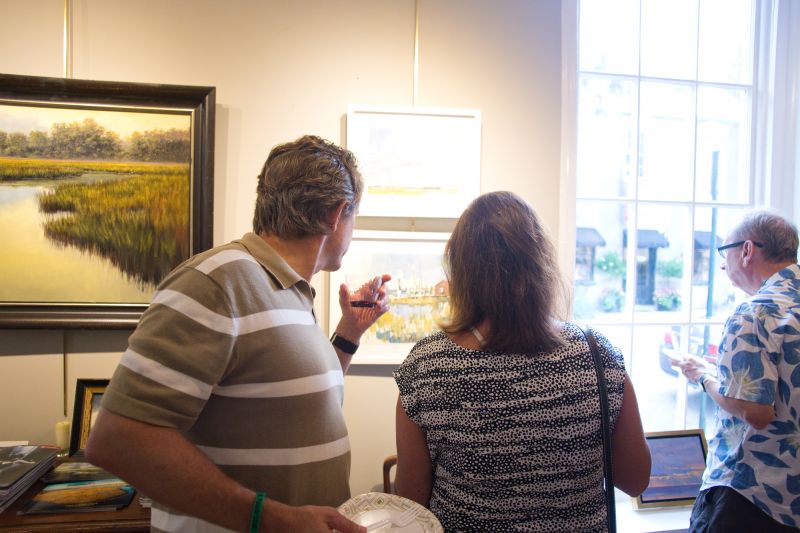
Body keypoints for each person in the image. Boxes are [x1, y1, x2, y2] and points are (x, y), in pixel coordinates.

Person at [85, 135, 390, 533]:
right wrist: (270, 518)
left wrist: (348, 334)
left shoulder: (290, 289)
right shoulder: (218, 282)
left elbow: (292, 402)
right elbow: (117, 439)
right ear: (337, 214)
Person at [392, 191, 651, 531]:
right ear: (540, 263)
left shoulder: (427, 368)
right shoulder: (596, 354)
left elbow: (412, 504)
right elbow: (636, 479)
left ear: (461, 270)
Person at [679, 210, 800, 532]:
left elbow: (755, 411)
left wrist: (703, 377)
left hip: (755, 493)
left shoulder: (753, 313)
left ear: (747, 250)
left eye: (724, 252)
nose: (722, 264)